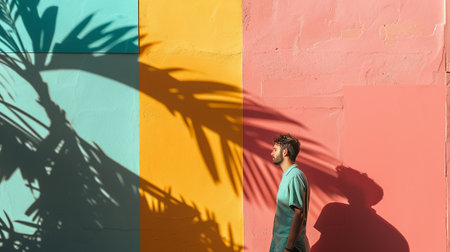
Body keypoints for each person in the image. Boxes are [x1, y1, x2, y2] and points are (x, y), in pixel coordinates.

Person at [269, 134, 310, 252]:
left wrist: (288, 248)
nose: (272, 153)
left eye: (275, 150)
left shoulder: (294, 176)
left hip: (291, 248)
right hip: (281, 245)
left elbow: (299, 213)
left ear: (285, 152)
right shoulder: (288, 176)